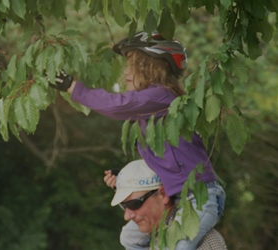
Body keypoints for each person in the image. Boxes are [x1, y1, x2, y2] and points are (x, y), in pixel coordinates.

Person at [50, 31, 226, 249]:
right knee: (130, 239)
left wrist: (72, 86)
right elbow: (167, 163)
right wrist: (123, 176)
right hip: (178, 199)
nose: (125, 73)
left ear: (149, 68)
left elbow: (116, 104)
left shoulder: (161, 95)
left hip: (199, 197)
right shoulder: (150, 114)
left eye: (131, 66)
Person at [106, 159, 226, 249]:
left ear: (163, 195)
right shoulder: (146, 239)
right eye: (124, 206)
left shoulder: (207, 243)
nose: (126, 216)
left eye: (134, 204)